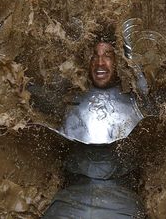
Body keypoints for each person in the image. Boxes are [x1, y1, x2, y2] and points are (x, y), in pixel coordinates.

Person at [42, 29, 147, 218]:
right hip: (70, 200)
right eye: (94, 56)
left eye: (108, 55)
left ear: (118, 62)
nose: (100, 62)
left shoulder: (136, 100)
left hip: (122, 201)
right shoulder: (69, 99)